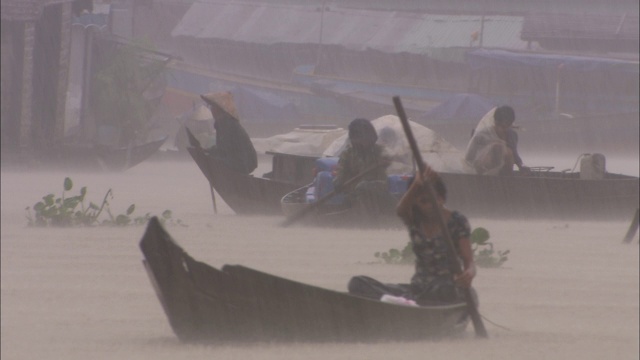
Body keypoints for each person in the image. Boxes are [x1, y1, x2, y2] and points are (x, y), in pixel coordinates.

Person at [348, 165, 477, 306]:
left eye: (433, 200)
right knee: (357, 283)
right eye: (423, 202)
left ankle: (407, 303)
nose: (429, 206)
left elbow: (468, 261)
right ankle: (405, 303)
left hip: (445, 290)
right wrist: (416, 184)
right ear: (416, 203)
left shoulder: (457, 221)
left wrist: (469, 273)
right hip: (418, 289)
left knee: (446, 291)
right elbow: (400, 211)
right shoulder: (415, 220)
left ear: (441, 199)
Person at [333, 118, 394, 220]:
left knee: (364, 187)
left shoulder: (379, 151)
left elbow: (391, 159)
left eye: (364, 138)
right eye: (358, 138)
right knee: (360, 189)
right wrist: (338, 182)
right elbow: (341, 172)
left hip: (379, 192)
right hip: (354, 196)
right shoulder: (347, 154)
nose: (362, 142)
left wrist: (386, 161)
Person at [200, 91, 257, 174]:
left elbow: (225, 150)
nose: (211, 110)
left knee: (216, 161)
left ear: (219, 109)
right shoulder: (222, 124)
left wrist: (210, 155)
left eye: (213, 107)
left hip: (244, 162)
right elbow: (222, 148)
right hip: (239, 160)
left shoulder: (227, 124)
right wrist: (208, 151)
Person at [464, 105, 529, 176]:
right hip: (483, 171)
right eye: (502, 126)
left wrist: (521, 166)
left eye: (507, 126)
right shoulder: (482, 135)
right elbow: (469, 159)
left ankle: (507, 181)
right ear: (495, 122)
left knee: (508, 152)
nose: (504, 130)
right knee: (497, 146)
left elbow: (514, 154)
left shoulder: (512, 135)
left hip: (504, 171)